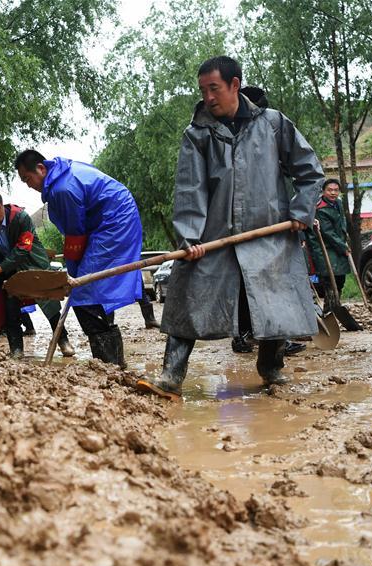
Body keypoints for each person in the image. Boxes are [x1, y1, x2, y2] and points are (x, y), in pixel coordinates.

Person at [138, 56, 324, 397]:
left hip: (270, 233)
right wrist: (189, 239)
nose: (208, 97)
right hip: (214, 237)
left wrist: (301, 211)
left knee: (275, 301)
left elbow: (310, 171)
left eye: (215, 88)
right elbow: (190, 189)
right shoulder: (198, 134)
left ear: (234, 85)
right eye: (203, 90)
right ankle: (171, 375)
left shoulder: (273, 124)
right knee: (187, 297)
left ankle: (271, 368)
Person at [15, 150, 142, 367]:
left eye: (28, 178)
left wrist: (73, 276)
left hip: (114, 222)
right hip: (106, 222)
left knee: (85, 293)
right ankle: (114, 363)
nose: (28, 185)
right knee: (91, 289)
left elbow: (76, 235)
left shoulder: (63, 189)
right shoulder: (62, 174)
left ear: (41, 169)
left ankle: (109, 365)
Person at [0, 191, 74, 359]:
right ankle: (17, 350)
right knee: (10, 308)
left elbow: (23, 247)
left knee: (49, 304)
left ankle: (63, 341)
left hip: (31, 264)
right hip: (8, 272)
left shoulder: (21, 218)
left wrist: (2, 267)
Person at [304, 179, 351, 298]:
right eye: (330, 190)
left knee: (340, 280)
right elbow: (328, 232)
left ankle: (336, 306)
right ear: (323, 191)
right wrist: (343, 246)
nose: (333, 193)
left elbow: (342, 222)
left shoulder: (338, 203)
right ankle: (330, 308)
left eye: (336, 190)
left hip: (338, 245)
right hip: (325, 248)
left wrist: (344, 240)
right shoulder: (320, 209)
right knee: (330, 281)